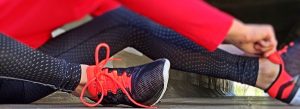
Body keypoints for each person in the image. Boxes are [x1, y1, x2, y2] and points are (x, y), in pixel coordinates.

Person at [0, 0, 299, 107]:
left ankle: (269, 75)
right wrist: (237, 30)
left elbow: (141, 13)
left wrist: (224, 42)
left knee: (128, 22)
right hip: (9, 74)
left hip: (26, 63)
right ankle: (88, 81)